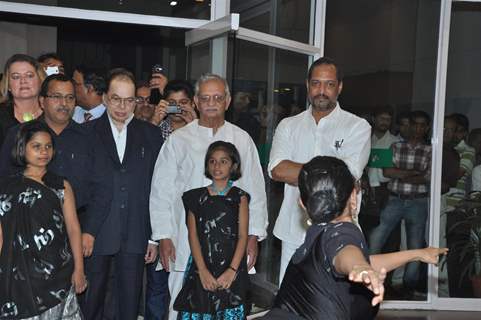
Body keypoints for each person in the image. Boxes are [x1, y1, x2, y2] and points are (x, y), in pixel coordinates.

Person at [260, 156, 448, 320]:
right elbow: (347, 255)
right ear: (353, 196)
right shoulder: (340, 231)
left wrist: (415, 254)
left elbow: (349, 256)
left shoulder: (331, 231)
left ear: (302, 203)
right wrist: (360, 267)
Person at [149, 73, 268, 320]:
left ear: (227, 101)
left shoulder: (242, 140)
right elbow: (161, 190)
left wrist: (254, 235)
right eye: (205, 98)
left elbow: (255, 189)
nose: (211, 103)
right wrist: (162, 235)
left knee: (228, 310)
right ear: (195, 101)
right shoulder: (178, 140)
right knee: (180, 310)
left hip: (230, 245)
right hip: (183, 242)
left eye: (217, 97)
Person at [268, 57, 371, 283]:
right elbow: (277, 170)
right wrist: (330, 171)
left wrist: (299, 170)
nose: (321, 91)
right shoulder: (288, 125)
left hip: (338, 233)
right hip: (293, 231)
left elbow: (347, 176)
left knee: (334, 305)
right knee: (291, 303)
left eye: (329, 84)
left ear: (339, 87)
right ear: (307, 85)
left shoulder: (357, 127)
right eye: (316, 83)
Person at [79, 68, 164, 320]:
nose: (122, 106)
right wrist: (84, 230)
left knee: (129, 302)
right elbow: (81, 187)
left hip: (136, 232)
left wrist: (154, 237)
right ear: (105, 98)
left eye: (129, 100)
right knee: (91, 301)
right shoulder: (85, 133)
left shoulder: (150, 134)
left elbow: (156, 188)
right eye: (116, 99)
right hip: (96, 231)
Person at [0, 120, 86, 319]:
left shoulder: (60, 185)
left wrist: (79, 269)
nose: (44, 152)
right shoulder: (7, 187)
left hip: (58, 271)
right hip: (18, 273)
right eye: (36, 146)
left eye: (48, 146)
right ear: (22, 148)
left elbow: (73, 228)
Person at [174, 141, 249, 318]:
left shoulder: (240, 198)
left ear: (233, 165)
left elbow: (242, 236)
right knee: (199, 308)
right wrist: (202, 271)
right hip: (202, 266)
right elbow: (193, 236)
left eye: (223, 161)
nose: (217, 166)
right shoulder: (195, 197)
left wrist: (232, 270)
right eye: (212, 161)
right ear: (207, 165)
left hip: (231, 265)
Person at [0, 74, 92, 212]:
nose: (64, 103)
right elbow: (4, 180)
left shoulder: (89, 138)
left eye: (70, 97)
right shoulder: (19, 134)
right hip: (28, 220)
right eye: (56, 97)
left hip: (79, 222)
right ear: (42, 101)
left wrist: (88, 232)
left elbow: (100, 188)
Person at [369, 111, 432, 296]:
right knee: (376, 239)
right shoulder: (395, 146)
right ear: (409, 125)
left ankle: (408, 287)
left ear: (427, 128)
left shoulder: (430, 150)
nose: (418, 128)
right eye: (415, 124)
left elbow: (428, 177)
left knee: (415, 247)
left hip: (418, 202)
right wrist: (414, 173)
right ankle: (368, 277)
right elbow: (388, 173)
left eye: (423, 125)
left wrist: (402, 172)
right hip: (395, 199)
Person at [0, 54, 46, 147]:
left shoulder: (52, 113)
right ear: (8, 85)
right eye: (16, 77)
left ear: (40, 80)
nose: (23, 81)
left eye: (29, 75)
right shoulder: (2, 115)